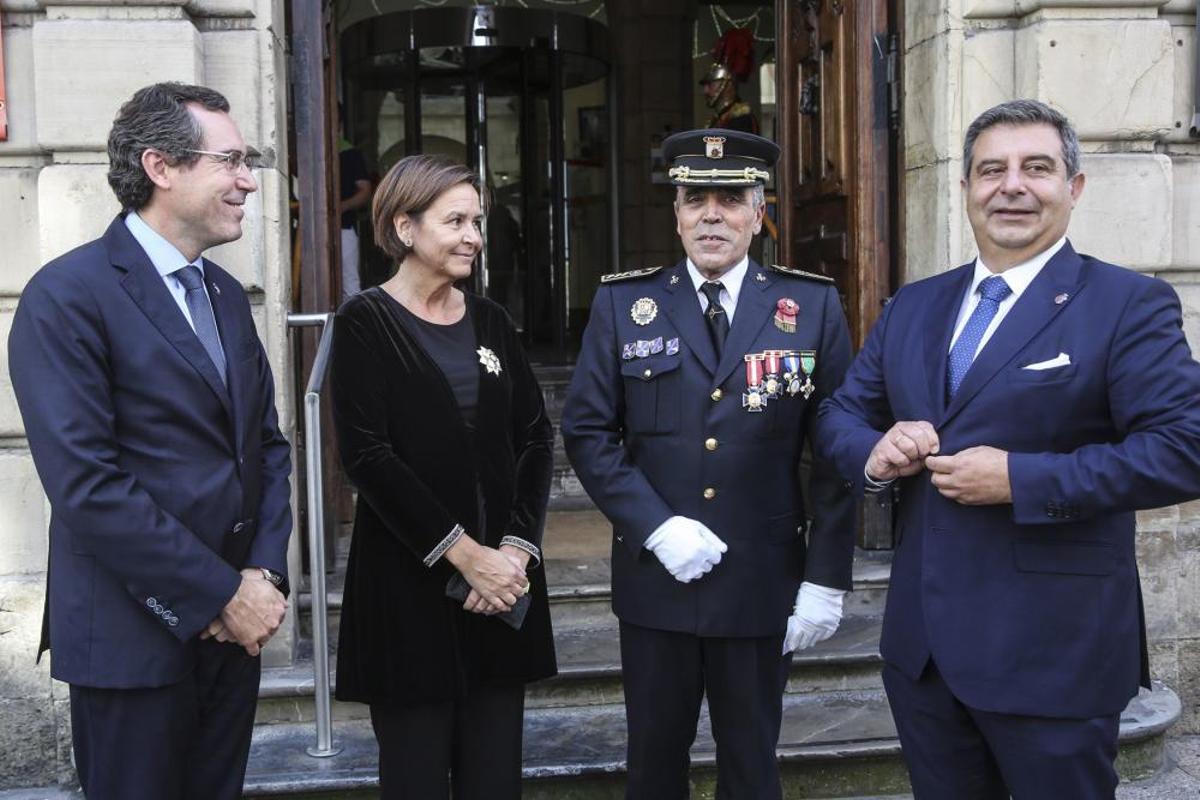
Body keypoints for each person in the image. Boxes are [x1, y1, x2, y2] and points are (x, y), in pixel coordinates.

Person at [817, 99, 1200, 798]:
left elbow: (1183, 449)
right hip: (924, 655)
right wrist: (874, 449)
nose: (1012, 186)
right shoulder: (913, 305)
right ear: (966, 188)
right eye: (992, 170)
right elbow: (840, 414)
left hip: (1054, 654)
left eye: (1037, 168)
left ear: (1073, 187)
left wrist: (1020, 480)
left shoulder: (1127, 304)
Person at [7, 83, 292, 800]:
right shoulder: (65, 295)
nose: (249, 181)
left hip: (234, 635)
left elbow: (266, 448)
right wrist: (221, 594)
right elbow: (87, 485)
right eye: (231, 161)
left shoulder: (225, 296)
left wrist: (262, 578)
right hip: (132, 640)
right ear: (161, 166)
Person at [561, 128, 857, 799]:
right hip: (656, 583)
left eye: (730, 199)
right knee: (653, 766)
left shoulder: (810, 305)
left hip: (762, 581)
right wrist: (656, 526)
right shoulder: (625, 304)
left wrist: (826, 576)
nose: (712, 216)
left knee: (752, 765)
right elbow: (588, 431)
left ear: (759, 212)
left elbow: (835, 447)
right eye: (696, 200)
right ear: (676, 213)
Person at [330, 154, 556, 799]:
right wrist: (466, 557)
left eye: (477, 222)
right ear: (405, 228)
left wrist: (512, 553)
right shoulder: (363, 321)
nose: (473, 237)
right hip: (409, 592)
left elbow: (535, 437)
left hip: (501, 594)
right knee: (416, 778)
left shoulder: (491, 319)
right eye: (455, 221)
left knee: (494, 780)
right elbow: (368, 457)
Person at [339, 134, 372, 301]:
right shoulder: (307, 150)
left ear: (339, 127)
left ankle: (353, 318)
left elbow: (365, 191)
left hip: (344, 227)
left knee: (349, 285)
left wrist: (340, 208)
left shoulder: (351, 154)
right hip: (312, 229)